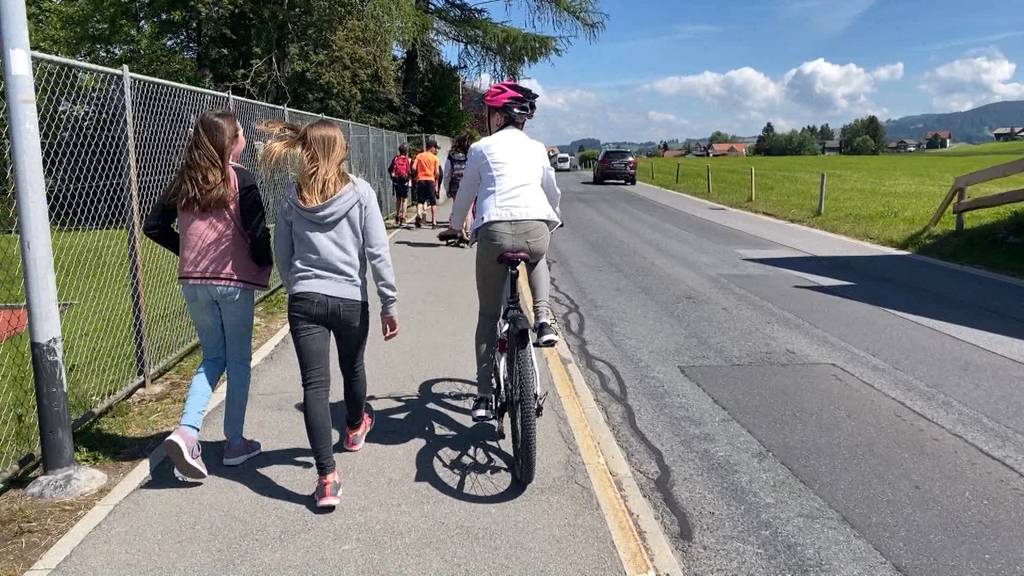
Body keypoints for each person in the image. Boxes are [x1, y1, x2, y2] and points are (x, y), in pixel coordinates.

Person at [260, 119, 399, 509]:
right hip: (350, 299)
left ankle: (326, 477)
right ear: (339, 149)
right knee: (353, 367)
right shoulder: (361, 193)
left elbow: (282, 254)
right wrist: (389, 302)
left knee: (314, 387)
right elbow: (377, 252)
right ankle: (355, 427)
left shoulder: (292, 196)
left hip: (306, 298)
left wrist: (295, 287)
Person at [143, 110, 272, 479]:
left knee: (212, 357)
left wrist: (185, 250)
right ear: (231, 142)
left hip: (193, 282)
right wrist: (264, 262)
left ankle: (187, 431)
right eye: (241, 132)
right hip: (233, 283)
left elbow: (154, 226)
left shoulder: (184, 182)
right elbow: (258, 232)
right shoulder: (241, 180)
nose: (244, 136)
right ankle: (234, 442)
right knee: (239, 360)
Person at [439, 81, 561, 422]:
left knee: (488, 316)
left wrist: (454, 226)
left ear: (496, 116)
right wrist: (554, 218)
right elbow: (550, 191)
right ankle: (543, 319)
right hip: (535, 226)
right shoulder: (537, 148)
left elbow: (465, 195)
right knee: (537, 256)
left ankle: (483, 396)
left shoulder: (481, 148)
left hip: (493, 231)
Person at [444, 133, 473, 236]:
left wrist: (446, 188)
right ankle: (467, 231)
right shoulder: (471, 154)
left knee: (457, 207)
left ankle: (458, 230)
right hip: (469, 184)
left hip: (455, 185)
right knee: (469, 210)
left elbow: (447, 173)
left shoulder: (451, 156)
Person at [412, 139, 441, 229]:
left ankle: (419, 215)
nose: (435, 150)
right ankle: (434, 222)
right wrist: (436, 181)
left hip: (420, 180)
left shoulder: (419, 156)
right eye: (435, 148)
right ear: (432, 147)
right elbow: (437, 173)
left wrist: (417, 174)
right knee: (433, 202)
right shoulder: (435, 158)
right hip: (430, 180)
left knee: (420, 200)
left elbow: (413, 167)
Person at [389, 143, 412, 227]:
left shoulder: (395, 158)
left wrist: (393, 177)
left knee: (398, 198)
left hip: (397, 181)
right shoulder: (408, 160)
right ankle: (403, 217)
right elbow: (410, 171)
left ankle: (397, 217)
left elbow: (390, 169)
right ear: (406, 151)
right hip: (405, 181)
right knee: (405, 200)